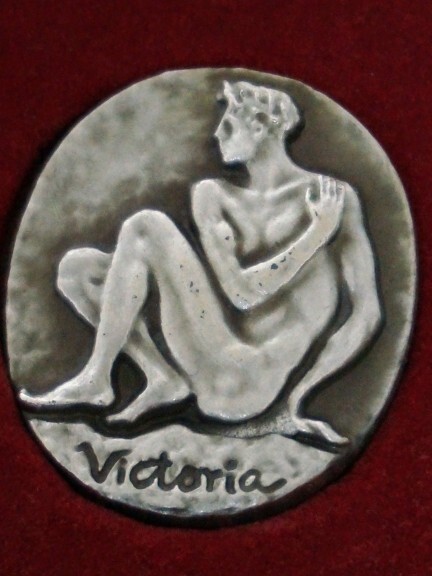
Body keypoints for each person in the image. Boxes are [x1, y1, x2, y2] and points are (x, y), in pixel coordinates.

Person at [19, 81, 382, 445]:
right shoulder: (213, 195)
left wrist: (297, 399)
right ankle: (160, 377)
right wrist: (316, 236)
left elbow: (366, 315)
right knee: (79, 269)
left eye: (228, 126)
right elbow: (241, 292)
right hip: (208, 356)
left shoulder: (333, 198)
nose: (216, 134)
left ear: (259, 127)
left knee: (146, 226)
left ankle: (97, 379)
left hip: (246, 384)